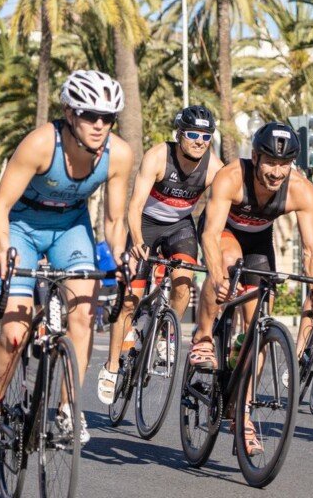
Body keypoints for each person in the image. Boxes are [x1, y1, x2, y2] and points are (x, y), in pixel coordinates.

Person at [0, 70, 133, 459]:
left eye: (108, 117)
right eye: (89, 115)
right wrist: (2, 248)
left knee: (82, 318)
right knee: (15, 334)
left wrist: (120, 256)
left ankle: (67, 410)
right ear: (68, 112)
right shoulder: (41, 144)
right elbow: (0, 207)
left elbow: (114, 221)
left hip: (70, 229)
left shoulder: (119, 155)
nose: (99, 125)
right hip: (22, 228)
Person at [196, 122, 313, 455]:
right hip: (223, 232)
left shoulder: (301, 190)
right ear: (255, 157)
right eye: (270, 162)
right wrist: (217, 276)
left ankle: (243, 415)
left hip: (258, 242)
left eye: (284, 164)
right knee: (228, 263)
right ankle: (204, 336)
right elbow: (209, 235)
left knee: (258, 329)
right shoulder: (231, 177)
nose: (276, 172)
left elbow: (312, 250)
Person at [97, 105, 222, 405]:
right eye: (193, 134)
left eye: (206, 136)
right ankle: (112, 366)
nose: (199, 141)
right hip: (146, 224)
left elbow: (223, 206)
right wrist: (139, 242)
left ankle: (166, 336)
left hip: (180, 227)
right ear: (179, 134)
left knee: (183, 283)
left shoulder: (214, 168)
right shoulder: (157, 157)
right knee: (130, 299)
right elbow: (135, 206)